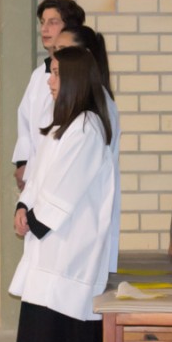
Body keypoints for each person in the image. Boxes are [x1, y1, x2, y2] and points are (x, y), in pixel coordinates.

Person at [10, 46, 115, 342]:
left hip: (72, 236)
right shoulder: (64, 123)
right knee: (50, 303)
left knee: (65, 307)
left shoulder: (86, 127)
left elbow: (66, 185)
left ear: (75, 79)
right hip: (55, 233)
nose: (49, 81)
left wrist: (37, 220)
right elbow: (39, 174)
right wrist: (24, 205)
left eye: (56, 74)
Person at [52, 24, 121, 272]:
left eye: (64, 49)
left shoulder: (91, 116)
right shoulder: (80, 103)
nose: (56, 55)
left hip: (82, 219)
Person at [12, 0, 85, 190]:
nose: (44, 29)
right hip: (36, 174)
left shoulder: (83, 76)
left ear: (70, 28)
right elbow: (25, 121)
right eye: (42, 22)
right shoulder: (38, 75)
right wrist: (22, 163)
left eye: (53, 22)